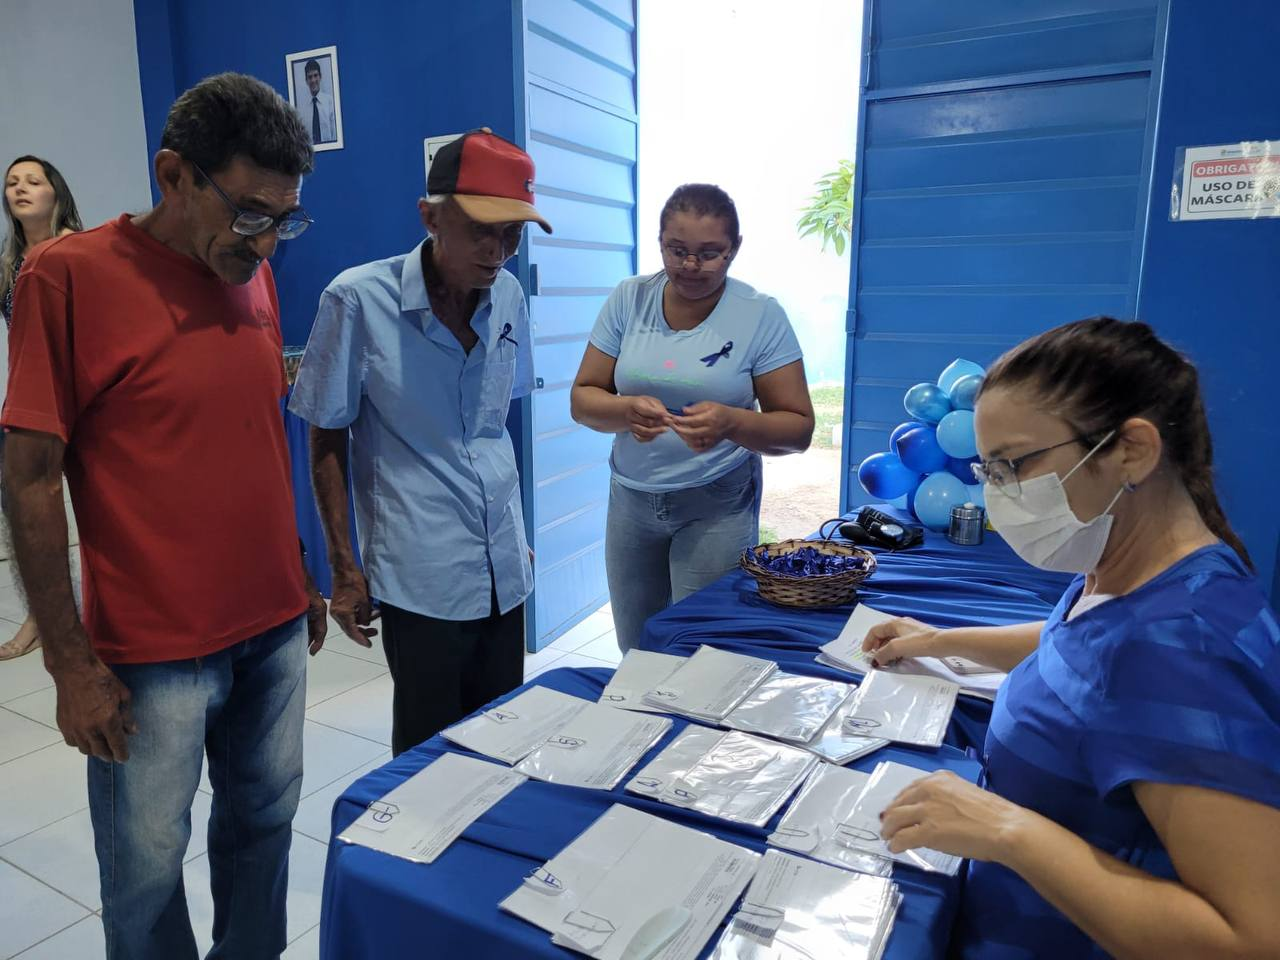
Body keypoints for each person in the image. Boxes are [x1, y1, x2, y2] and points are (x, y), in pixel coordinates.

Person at [2, 73, 328, 959]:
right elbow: (29, 474)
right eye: (252, 213)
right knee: (146, 871)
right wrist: (70, 661)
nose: (265, 244)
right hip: (152, 654)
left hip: (269, 632)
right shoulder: (64, 278)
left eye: (284, 219)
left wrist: (298, 568)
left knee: (264, 829)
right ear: (174, 174)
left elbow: (256, 435)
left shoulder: (248, 272)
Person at [862, 318, 1280, 959]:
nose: (996, 494)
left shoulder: (1185, 647)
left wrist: (1008, 830)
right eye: (987, 469)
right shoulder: (1129, 570)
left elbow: (1249, 938)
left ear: (1132, 451)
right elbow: (1077, 651)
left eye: (1013, 466)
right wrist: (939, 638)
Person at [290, 128, 549, 756]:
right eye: (481, 229)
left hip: (503, 567)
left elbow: (494, 428)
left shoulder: (509, 294)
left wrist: (517, 537)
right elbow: (326, 435)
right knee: (429, 754)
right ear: (430, 217)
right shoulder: (357, 299)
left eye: (512, 233)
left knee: (499, 740)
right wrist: (344, 570)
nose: (498, 250)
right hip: (420, 568)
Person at [570, 184, 814, 651]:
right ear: (659, 242)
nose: (690, 266)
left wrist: (731, 423)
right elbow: (583, 400)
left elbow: (798, 429)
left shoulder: (759, 315)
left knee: (700, 651)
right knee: (638, 648)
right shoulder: (629, 298)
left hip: (716, 502)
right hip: (631, 501)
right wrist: (624, 410)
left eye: (709, 254)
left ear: (734, 250)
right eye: (676, 250)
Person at [0, 155, 83, 660]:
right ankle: (41, 614)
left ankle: (102, 606)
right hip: (31, 400)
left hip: (81, 396)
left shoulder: (78, 250)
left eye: (33, 181)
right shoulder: (9, 263)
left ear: (56, 192)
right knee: (24, 508)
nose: (21, 189)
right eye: (12, 183)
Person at [303, 58, 337, 145]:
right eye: (310, 77)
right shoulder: (302, 109)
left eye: (315, 75)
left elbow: (335, 133)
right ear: (306, 80)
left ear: (320, 76)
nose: (313, 80)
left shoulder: (330, 102)